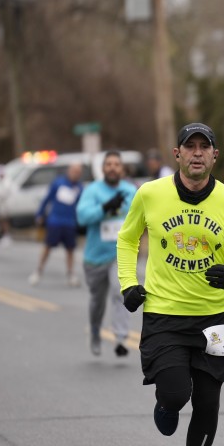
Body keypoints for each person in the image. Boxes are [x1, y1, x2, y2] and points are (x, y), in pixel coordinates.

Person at [117, 123, 224, 446]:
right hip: (164, 315)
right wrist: (128, 283)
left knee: (209, 402)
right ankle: (166, 404)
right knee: (176, 394)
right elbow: (127, 239)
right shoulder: (150, 194)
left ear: (215, 155)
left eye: (204, 147)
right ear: (177, 154)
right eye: (190, 146)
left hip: (215, 318)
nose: (197, 153)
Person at [76, 151, 138, 357]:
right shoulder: (92, 191)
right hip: (95, 257)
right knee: (97, 301)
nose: (112, 167)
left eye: (116, 164)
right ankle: (95, 331)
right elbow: (82, 217)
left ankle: (121, 338)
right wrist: (104, 208)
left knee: (120, 291)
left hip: (120, 255)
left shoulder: (130, 191)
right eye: (108, 164)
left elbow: (140, 218)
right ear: (103, 168)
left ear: (122, 169)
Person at [30, 162, 84, 287]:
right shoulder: (58, 183)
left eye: (78, 172)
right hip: (55, 221)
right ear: (69, 171)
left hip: (70, 223)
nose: (75, 174)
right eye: (74, 171)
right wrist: (40, 214)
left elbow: (81, 207)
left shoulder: (80, 188)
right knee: (47, 247)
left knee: (70, 249)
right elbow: (47, 199)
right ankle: (38, 271)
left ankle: (70, 274)